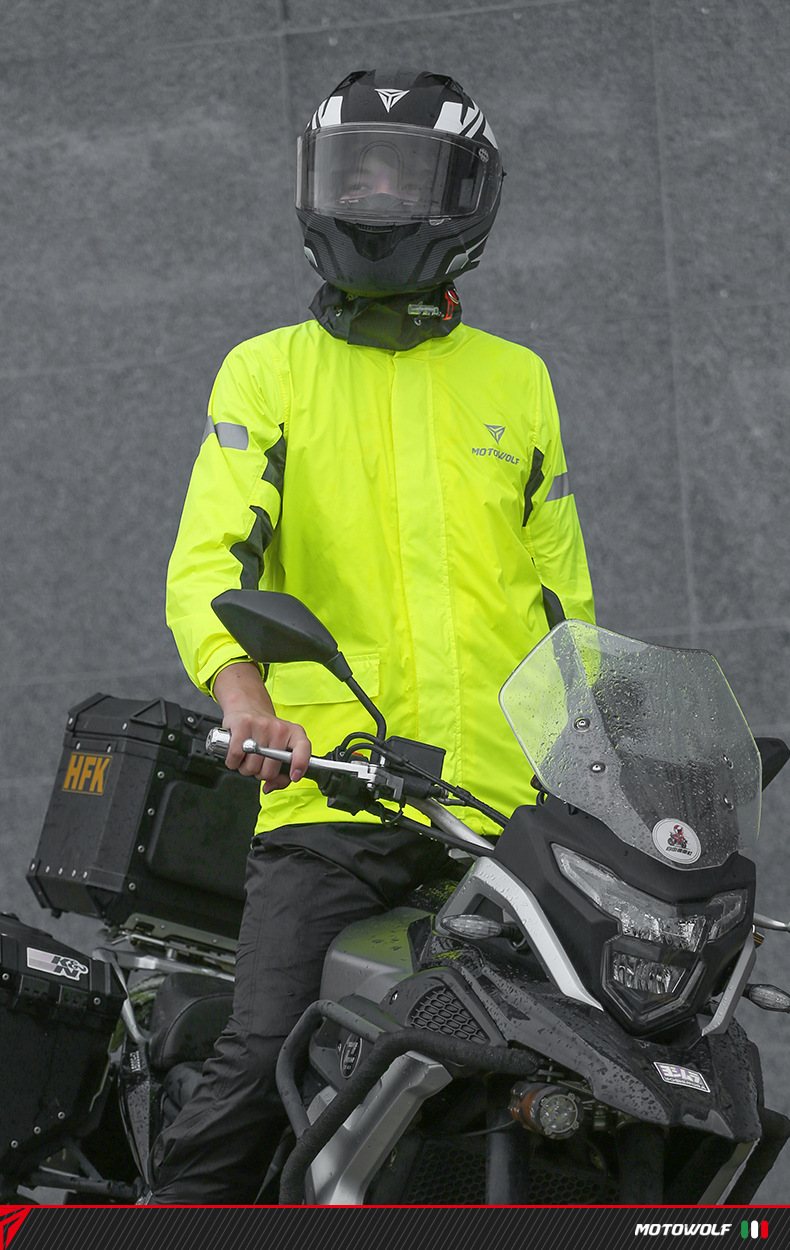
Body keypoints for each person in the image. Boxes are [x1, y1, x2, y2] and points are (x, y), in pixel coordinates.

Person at [147, 68, 595, 1204]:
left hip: (502, 821)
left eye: (405, 177)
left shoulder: (518, 382)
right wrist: (244, 696)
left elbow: (566, 612)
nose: (378, 200)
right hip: (334, 799)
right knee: (266, 1054)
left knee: (590, 1080)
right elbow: (211, 565)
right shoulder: (267, 372)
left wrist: (602, 764)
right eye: (358, 176)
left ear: (466, 196)